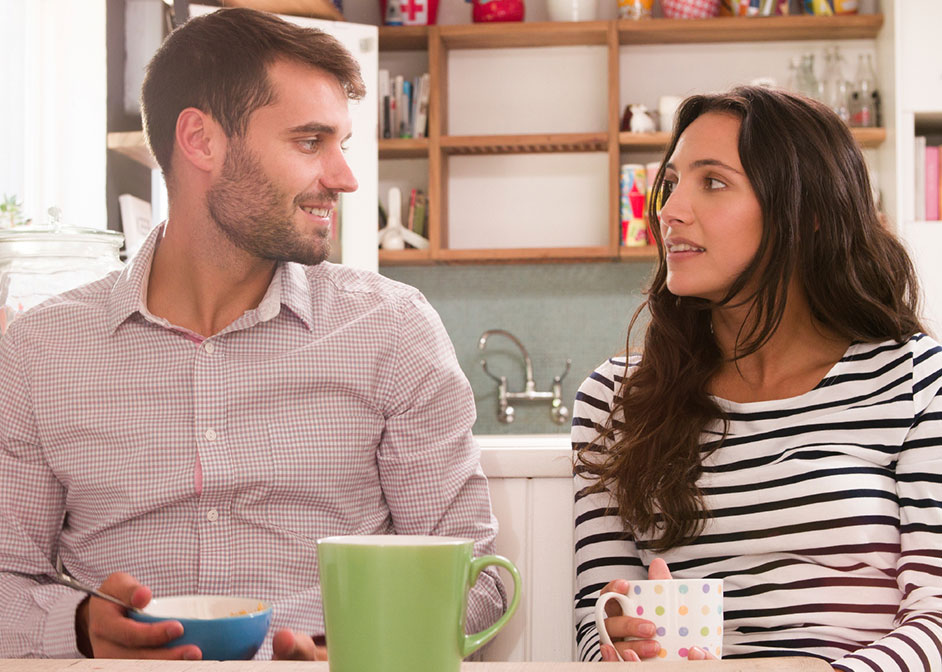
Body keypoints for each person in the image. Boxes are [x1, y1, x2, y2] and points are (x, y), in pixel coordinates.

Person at [0, 7, 506, 661]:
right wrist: (79, 626)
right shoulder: (40, 351)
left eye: (342, 144)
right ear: (201, 140)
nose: (345, 177)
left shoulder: (392, 330)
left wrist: (364, 648)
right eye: (310, 142)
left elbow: (478, 580)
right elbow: (7, 579)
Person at [572, 85, 942, 671]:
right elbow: (596, 619)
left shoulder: (916, 379)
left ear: (809, 214)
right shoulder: (617, 398)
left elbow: (937, 618)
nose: (669, 210)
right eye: (672, 183)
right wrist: (619, 641)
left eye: (713, 182)